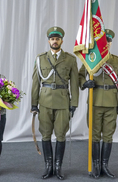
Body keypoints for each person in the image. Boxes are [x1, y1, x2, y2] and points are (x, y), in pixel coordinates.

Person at [31, 26, 79, 180]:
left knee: (60, 135)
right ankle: (48, 166)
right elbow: (35, 82)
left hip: (63, 102)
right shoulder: (40, 59)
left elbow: (75, 83)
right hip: (44, 101)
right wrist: (34, 104)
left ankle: (58, 167)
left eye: (57, 39)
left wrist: (74, 104)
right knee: (45, 135)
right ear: (49, 41)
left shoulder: (70, 59)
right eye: (52, 39)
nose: (55, 41)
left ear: (61, 41)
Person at [78, 29, 118, 178]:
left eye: (108, 41)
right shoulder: (90, 58)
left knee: (108, 135)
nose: (106, 43)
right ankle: (96, 166)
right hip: (95, 101)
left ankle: (105, 165)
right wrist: (85, 83)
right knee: (94, 136)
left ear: (110, 43)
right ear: (98, 42)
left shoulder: (116, 60)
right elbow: (80, 75)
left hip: (111, 102)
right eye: (103, 41)